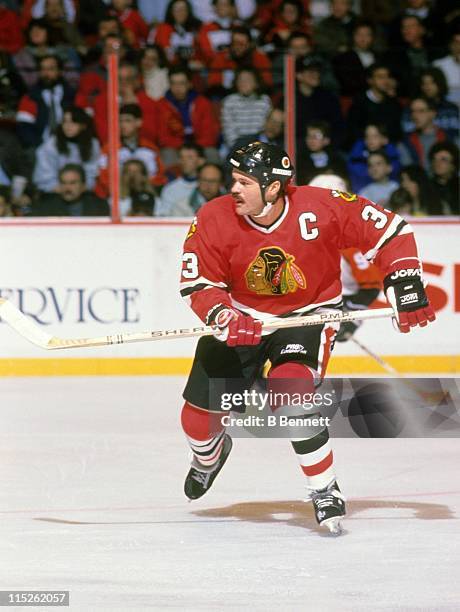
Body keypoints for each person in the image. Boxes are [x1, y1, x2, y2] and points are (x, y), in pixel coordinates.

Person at [179, 141, 435, 535]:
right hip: (242, 319)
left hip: (308, 316)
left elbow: (389, 231)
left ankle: (323, 487)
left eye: (245, 182)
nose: (234, 189)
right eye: (234, 179)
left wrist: (404, 280)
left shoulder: (322, 205)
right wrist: (223, 313)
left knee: (290, 387)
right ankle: (209, 455)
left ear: (273, 187)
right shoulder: (213, 217)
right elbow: (198, 281)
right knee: (197, 418)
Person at [157, 66, 221, 166]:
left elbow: (210, 136)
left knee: (212, 153)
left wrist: (193, 148)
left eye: (181, 83)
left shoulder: (203, 103)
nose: (177, 88)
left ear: (189, 84)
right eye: (173, 83)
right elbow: (163, 138)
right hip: (175, 148)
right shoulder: (162, 104)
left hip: (200, 146)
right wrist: (183, 147)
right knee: (167, 154)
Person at [32, 106, 100, 193]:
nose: (68, 126)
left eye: (73, 122)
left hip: (84, 192)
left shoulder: (93, 144)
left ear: (83, 126)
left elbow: (92, 174)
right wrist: (66, 191)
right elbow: (44, 179)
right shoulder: (50, 146)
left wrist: (80, 189)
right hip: (55, 193)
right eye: (65, 121)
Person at [16, 54, 75, 150]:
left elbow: (81, 124)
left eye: (51, 69)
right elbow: (24, 128)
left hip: (69, 145)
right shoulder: (30, 97)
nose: (46, 73)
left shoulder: (72, 95)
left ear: (60, 71)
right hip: (40, 147)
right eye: (42, 69)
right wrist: (40, 147)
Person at [221, 67, 272, 150]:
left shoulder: (264, 100)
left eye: (247, 80)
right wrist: (240, 149)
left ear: (256, 83)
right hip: (236, 145)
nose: (243, 83)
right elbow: (228, 131)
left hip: (259, 144)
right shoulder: (229, 101)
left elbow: (265, 128)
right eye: (240, 80)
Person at [30, 164, 109, 216]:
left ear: (83, 186)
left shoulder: (99, 206)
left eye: (72, 183)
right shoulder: (45, 208)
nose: (67, 188)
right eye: (63, 183)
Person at [347, 123, 401, 192]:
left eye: (375, 136)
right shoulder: (355, 161)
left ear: (385, 140)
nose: (370, 140)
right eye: (367, 136)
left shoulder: (394, 160)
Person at [156, 144, 205, 216]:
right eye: (182, 157)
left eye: (190, 157)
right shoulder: (170, 189)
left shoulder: (209, 186)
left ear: (201, 161)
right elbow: (163, 216)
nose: (184, 161)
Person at [296, 120, 347, 185]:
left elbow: (344, 180)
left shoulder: (336, 159)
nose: (311, 140)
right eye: (309, 136)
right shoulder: (301, 159)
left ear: (326, 140)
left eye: (316, 137)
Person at [403, 97, 447, 170]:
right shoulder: (406, 141)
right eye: (413, 111)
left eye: (421, 111)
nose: (415, 116)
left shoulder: (449, 138)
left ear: (433, 113)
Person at [428, 141, 459, 215]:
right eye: (434, 159)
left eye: (443, 159)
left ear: (453, 165)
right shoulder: (426, 186)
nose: (437, 163)